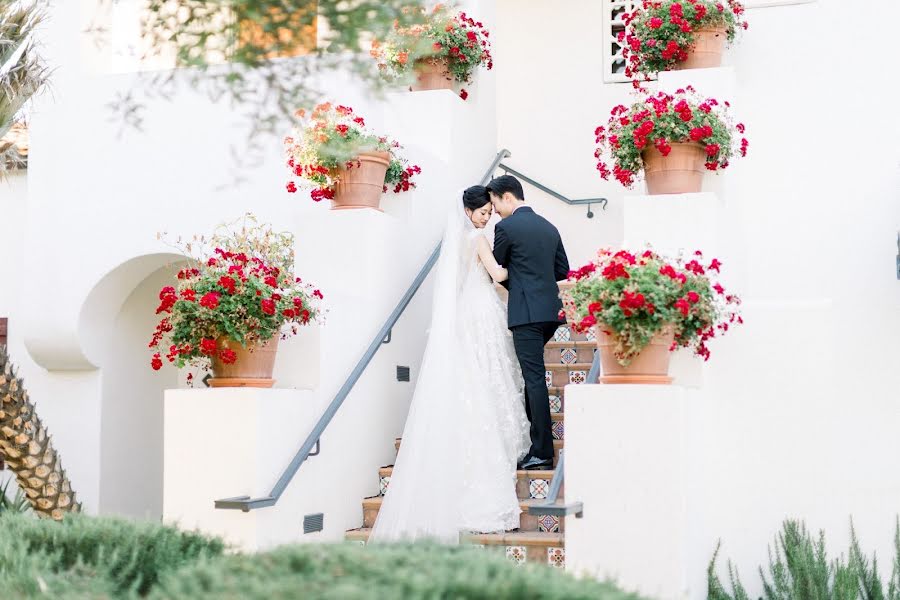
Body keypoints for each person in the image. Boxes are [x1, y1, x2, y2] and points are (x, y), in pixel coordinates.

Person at [370, 185, 530, 543]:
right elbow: (499, 276)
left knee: (473, 368)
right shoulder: (476, 239)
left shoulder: (455, 241)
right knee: (489, 368)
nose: (487, 217)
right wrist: (515, 262)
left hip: (464, 310)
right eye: (483, 212)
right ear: (469, 211)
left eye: (490, 212)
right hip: (481, 308)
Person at [489, 175, 570, 471]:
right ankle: (534, 440)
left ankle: (542, 451)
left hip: (525, 315)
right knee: (533, 377)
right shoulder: (550, 227)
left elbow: (496, 268)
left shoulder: (505, 228)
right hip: (551, 314)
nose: (495, 211)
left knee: (534, 379)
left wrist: (521, 279)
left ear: (507, 196)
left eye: (495, 204)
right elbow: (563, 269)